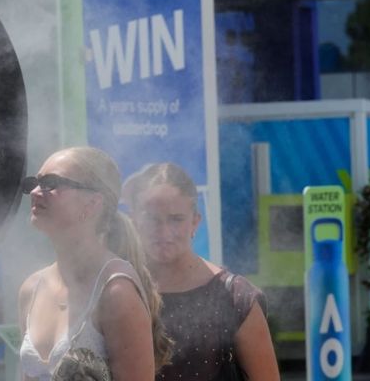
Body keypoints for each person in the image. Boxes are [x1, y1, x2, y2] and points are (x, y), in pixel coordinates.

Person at [18, 146, 171, 380]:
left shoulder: (115, 291)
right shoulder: (32, 288)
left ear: (92, 203)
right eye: (34, 183)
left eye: (51, 183)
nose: (36, 192)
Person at [121, 162, 279, 381]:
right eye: (152, 219)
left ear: (195, 222)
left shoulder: (234, 297)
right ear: (134, 220)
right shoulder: (118, 288)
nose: (164, 231)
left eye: (176, 219)